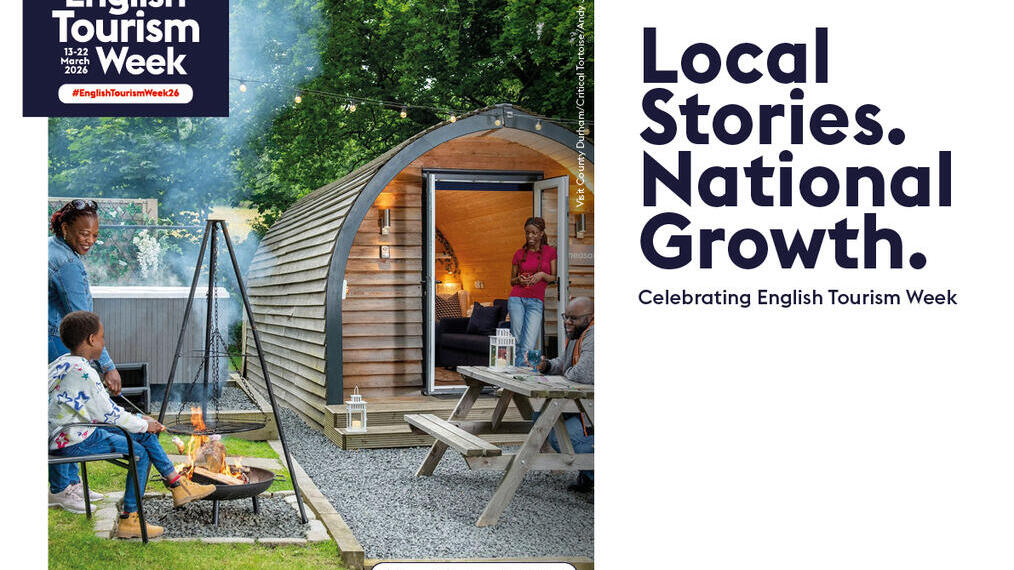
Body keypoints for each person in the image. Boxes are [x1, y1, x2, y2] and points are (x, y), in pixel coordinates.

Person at [49, 311, 216, 538]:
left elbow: (101, 410)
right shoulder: (84, 372)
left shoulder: (63, 363)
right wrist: (144, 424)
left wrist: (140, 421)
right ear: (91, 339)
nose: (104, 342)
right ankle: (130, 518)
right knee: (139, 453)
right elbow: (109, 415)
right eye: (102, 337)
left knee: (144, 436)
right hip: (72, 439)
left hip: (68, 433)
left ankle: (178, 485)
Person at [48, 199, 122, 508]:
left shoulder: (52, 248)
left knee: (61, 412)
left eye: (94, 235)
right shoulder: (66, 263)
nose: (90, 241)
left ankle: (69, 484)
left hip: (51, 341)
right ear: (65, 228)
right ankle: (63, 489)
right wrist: (107, 366)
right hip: (57, 344)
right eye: (83, 233)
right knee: (70, 416)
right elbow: (83, 323)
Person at [536, 296, 594, 493]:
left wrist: (565, 373)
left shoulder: (594, 335)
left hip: (590, 407)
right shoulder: (577, 335)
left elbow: (583, 374)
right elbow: (564, 363)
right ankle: (588, 474)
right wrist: (547, 365)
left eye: (573, 318)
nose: (567, 322)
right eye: (565, 317)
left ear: (589, 317)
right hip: (580, 402)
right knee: (541, 413)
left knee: (567, 437)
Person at [508, 217, 557, 367]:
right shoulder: (519, 253)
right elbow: (512, 280)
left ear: (541, 233)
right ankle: (517, 373)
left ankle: (519, 372)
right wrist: (519, 279)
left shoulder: (550, 252)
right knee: (516, 338)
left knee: (529, 342)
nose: (530, 236)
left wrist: (542, 275)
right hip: (517, 299)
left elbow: (554, 277)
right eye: (527, 233)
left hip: (536, 301)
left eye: (534, 233)